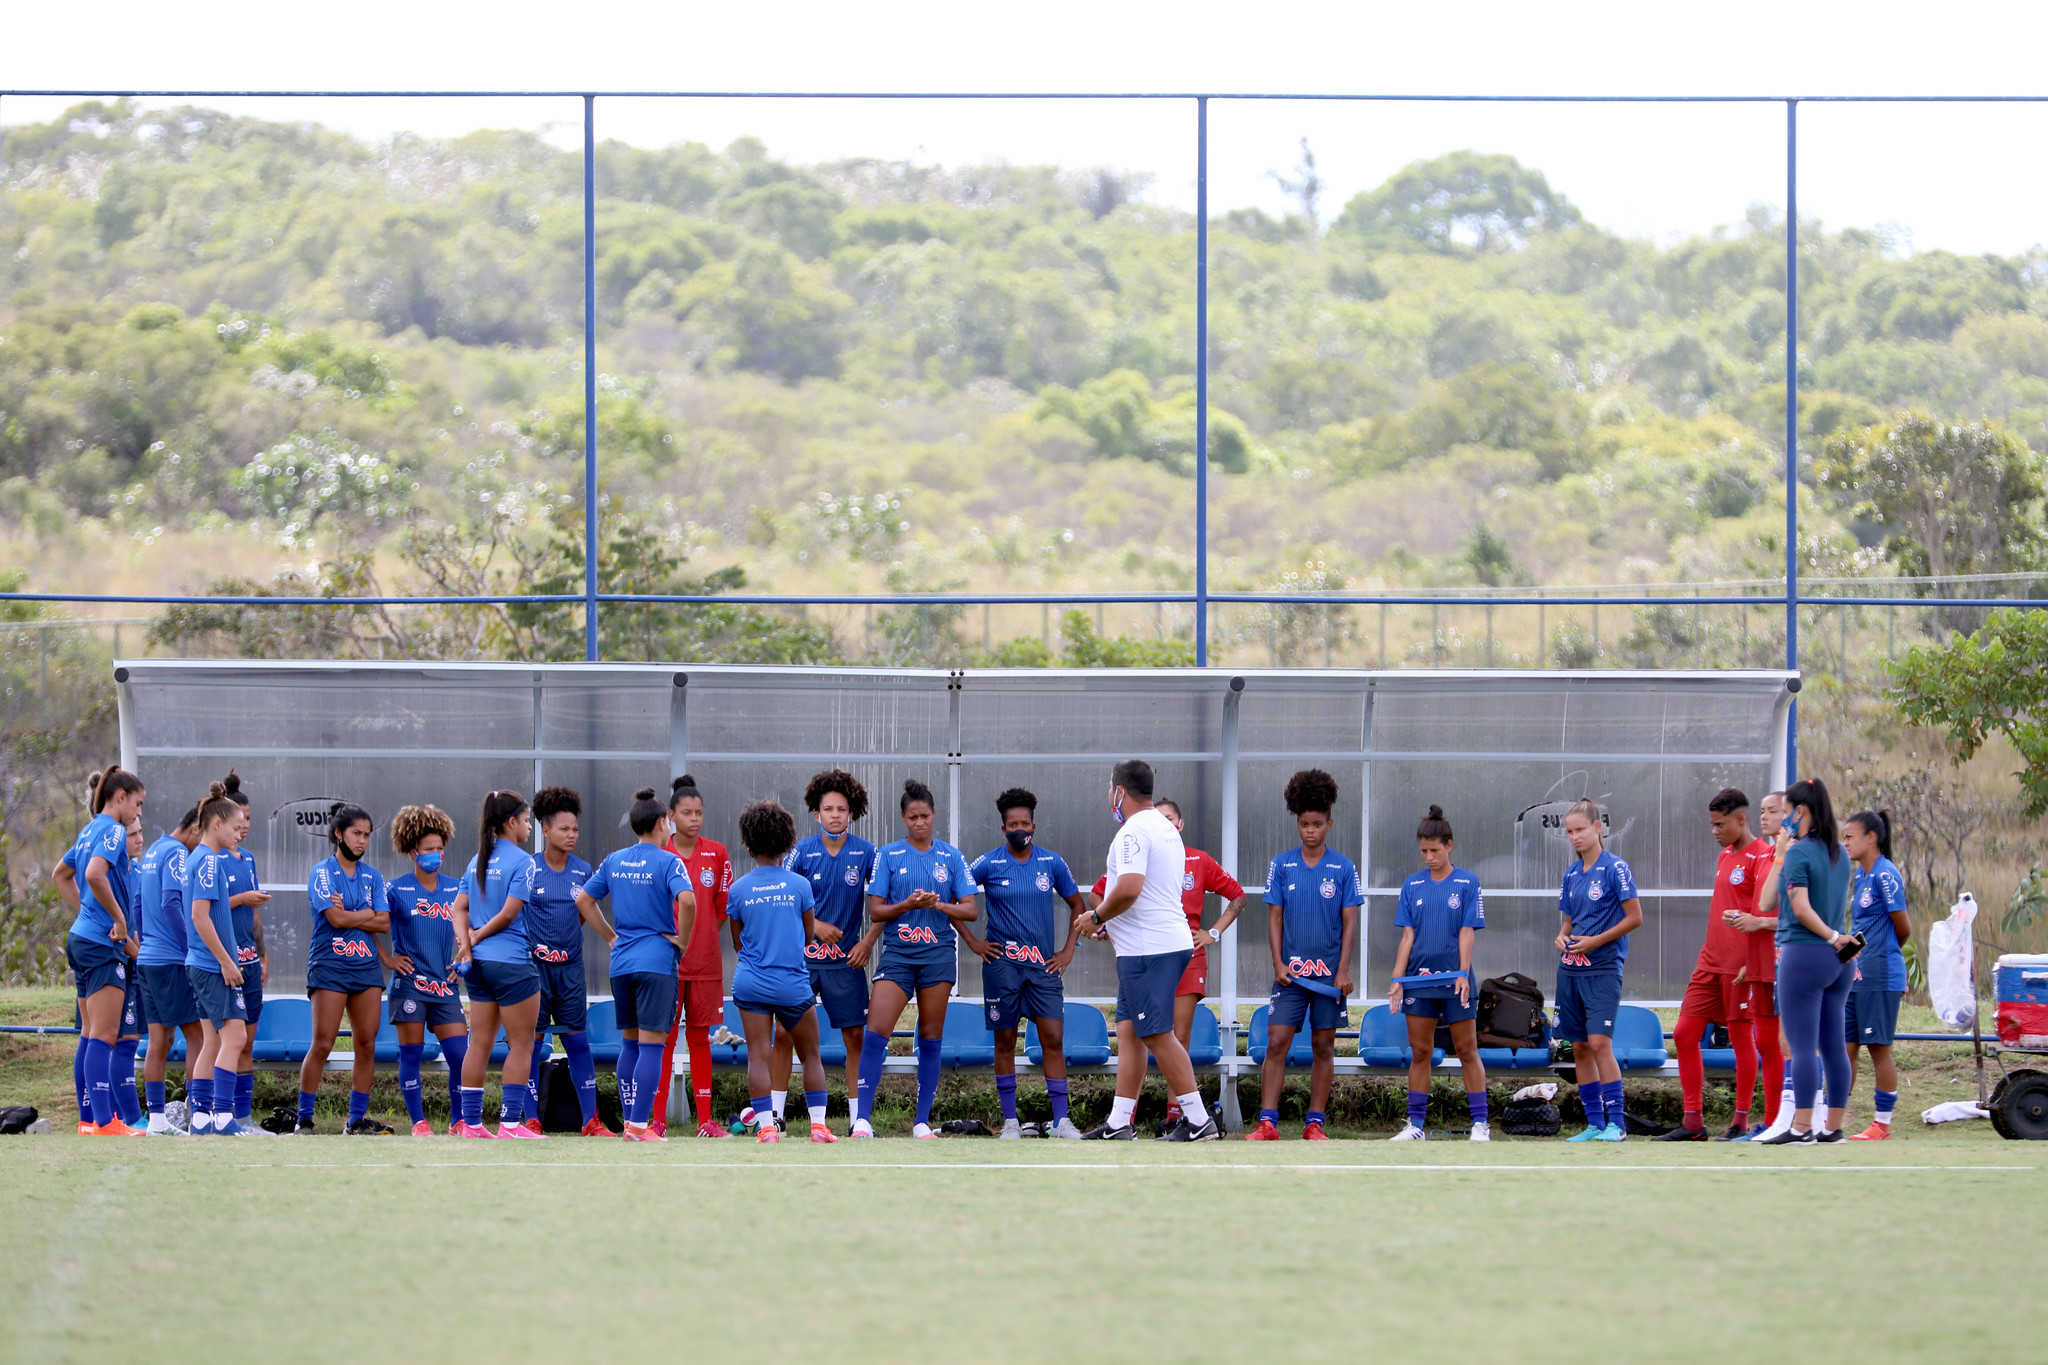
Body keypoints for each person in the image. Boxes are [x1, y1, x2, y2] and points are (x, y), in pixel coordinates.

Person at [1087, 797, 1245, 1133]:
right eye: (1161, 817)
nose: (1165, 823)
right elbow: (1105, 891)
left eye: (1171, 818)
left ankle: (1193, 1118)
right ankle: (1119, 1121)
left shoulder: (1185, 854)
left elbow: (1237, 895)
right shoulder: (1146, 841)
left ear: (1180, 823)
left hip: (1160, 950)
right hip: (1137, 950)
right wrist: (1107, 923)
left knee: (1164, 1033)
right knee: (1130, 1031)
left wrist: (1213, 933)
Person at [853, 778, 979, 1139]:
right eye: (912, 817)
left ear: (934, 814)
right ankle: (862, 1119)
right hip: (898, 954)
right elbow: (876, 910)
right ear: (903, 818)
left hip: (938, 955)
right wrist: (908, 904)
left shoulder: (951, 857)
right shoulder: (889, 855)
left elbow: (969, 910)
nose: (919, 822)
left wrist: (937, 903)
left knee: (930, 1034)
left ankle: (922, 1121)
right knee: (876, 1030)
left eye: (925, 815)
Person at [1246, 770, 1360, 1142]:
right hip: (1290, 976)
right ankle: (1268, 1123)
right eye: (1303, 824)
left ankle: (1314, 1124)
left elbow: (1350, 922)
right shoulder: (1281, 864)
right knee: (1277, 1040)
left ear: (1329, 824)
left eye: (1317, 824)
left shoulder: (1343, 867)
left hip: (1329, 979)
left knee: (1323, 1045)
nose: (1310, 830)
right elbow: (1274, 917)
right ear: (1297, 823)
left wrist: (1343, 970)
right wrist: (1278, 963)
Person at [968, 787, 1086, 1140]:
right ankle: (1010, 1122)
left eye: (1026, 823)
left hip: (1042, 968)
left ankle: (1062, 1120)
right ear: (1003, 828)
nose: (1021, 829)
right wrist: (973, 941)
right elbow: (956, 895)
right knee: (1004, 1041)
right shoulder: (989, 862)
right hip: (1002, 967)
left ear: (1034, 826)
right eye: (1013, 824)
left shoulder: (1051, 862)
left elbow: (1078, 905)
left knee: (1052, 1037)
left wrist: (1068, 951)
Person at [574, 788, 688, 1143]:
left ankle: (629, 1122)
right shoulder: (669, 860)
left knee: (631, 1045)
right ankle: (640, 1126)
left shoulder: (614, 859)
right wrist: (682, 940)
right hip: (655, 962)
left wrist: (610, 937)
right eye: (669, 820)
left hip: (621, 963)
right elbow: (688, 899)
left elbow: (583, 899)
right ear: (660, 823)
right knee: (653, 1047)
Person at [1657, 788, 1770, 1142]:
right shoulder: (1724, 856)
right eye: (1711, 824)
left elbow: (1766, 915)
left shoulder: (1763, 856)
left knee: (1740, 1037)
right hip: (1710, 959)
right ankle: (1693, 1122)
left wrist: (1751, 962)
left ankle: (1739, 1121)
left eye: (1720, 824)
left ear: (1741, 819)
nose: (1714, 830)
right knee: (1684, 1033)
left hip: (1739, 965)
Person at [770, 769, 879, 1132]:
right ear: (816, 814)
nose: (835, 814)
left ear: (852, 813)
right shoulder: (800, 852)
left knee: (855, 1037)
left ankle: (857, 1120)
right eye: (828, 809)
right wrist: (814, 927)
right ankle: (776, 1116)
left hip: (846, 962)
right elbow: (782, 897)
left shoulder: (866, 853)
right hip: (802, 962)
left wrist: (867, 941)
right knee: (784, 1033)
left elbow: (882, 903)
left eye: (842, 809)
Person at [728, 800, 838, 1145]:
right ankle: (819, 1127)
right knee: (811, 1055)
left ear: (748, 846)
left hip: (750, 983)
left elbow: (737, 941)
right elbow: (807, 936)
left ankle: (765, 1130)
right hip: (792, 984)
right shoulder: (800, 886)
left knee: (758, 1055)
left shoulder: (738, 889)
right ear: (789, 844)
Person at [1757, 777, 1858, 1145]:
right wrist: (1837, 939)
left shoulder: (1800, 852)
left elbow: (1798, 908)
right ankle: (1833, 1127)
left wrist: (1830, 937)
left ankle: (1800, 1126)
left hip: (1805, 953)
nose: (1783, 821)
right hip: (1840, 961)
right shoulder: (1841, 852)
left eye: (1785, 813)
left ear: (1800, 811)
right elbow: (1775, 903)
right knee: (1833, 1044)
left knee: (1801, 1046)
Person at [1386, 805, 1488, 1143]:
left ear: (1449, 845)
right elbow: (1407, 937)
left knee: (1467, 1050)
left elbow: (1467, 931)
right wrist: (1397, 980)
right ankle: (1415, 1126)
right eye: (1423, 851)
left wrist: (1462, 972)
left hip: (1456, 982)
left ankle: (1480, 1125)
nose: (1429, 857)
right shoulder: (1412, 885)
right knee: (1420, 1052)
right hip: (1418, 982)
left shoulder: (1467, 882)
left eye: (1435, 850)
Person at [451, 790, 545, 1140]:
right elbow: (508, 914)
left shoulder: (477, 859)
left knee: (479, 1043)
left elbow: (457, 909)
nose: (528, 828)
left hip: (478, 967)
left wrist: (467, 945)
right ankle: (508, 1124)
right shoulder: (523, 861)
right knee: (521, 1045)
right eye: (525, 821)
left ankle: (472, 1126)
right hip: (511, 963)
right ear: (510, 822)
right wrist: (471, 940)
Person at [294, 801, 391, 1136]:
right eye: (356, 834)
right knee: (323, 1042)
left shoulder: (373, 876)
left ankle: (356, 1121)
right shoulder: (321, 872)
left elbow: (385, 923)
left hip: (366, 968)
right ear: (338, 834)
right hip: (330, 965)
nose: (362, 841)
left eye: (366, 835)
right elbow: (334, 920)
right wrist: (366, 913)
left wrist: (353, 914)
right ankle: (304, 1118)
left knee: (366, 1043)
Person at [61, 764, 147, 1136]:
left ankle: (87, 1120)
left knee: (90, 1032)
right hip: (100, 943)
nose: (139, 814)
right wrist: (118, 919)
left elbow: (61, 874)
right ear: (121, 797)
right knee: (105, 1034)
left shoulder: (88, 828)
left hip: (80, 938)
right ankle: (104, 1121)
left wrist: (86, 912)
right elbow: (95, 874)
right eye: (138, 805)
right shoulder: (111, 828)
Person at [519, 786, 606, 1136]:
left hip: (570, 969)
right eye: (564, 829)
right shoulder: (527, 869)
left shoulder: (584, 870)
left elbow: (583, 915)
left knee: (578, 1042)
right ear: (545, 829)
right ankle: (530, 1118)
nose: (571, 835)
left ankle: (590, 1121)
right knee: (531, 1043)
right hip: (533, 971)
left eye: (575, 829)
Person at [1555, 799, 1643, 1143]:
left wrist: (1595, 941)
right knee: (1578, 1048)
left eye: (1580, 829)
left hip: (1603, 968)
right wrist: (1561, 938)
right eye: (1569, 832)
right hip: (1570, 970)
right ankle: (1594, 1124)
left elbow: (1635, 917)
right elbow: (1566, 923)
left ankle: (1617, 1125)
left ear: (1597, 828)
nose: (1575, 837)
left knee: (1599, 1043)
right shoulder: (1571, 874)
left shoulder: (1615, 868)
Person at [383, 804, 470, 1138]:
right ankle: (419, 1122)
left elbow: (469, 929)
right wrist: (388, 959)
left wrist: (464, 959)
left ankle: (458, 1120)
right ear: (412, 851)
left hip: (445, 987)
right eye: (429, 849)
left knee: (459, 1055)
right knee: (412, 1054)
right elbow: (371, 925)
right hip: (409, 986)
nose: (436, 854)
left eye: (439, 848)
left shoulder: (455, 888)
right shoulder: (395, 889)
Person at [654, 775, 734, 1138]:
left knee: (701, 1040)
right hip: (665, 965)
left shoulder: (717, 853)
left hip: (705, 965)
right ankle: (656, 1121)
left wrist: (697, 941)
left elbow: (722, 907)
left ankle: (705, 1120)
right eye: (686, 812)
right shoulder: (659, 854)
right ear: (671, 816)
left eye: (699, 812)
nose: (694, 818)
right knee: (664, 1040)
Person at [183, 782, 257, 1136]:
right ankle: (224, 1117)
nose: (239, 833)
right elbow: (200, 916)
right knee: (235, 1038)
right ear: (216, 825)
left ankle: (200, 1119)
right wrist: (227, 961)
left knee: (213, 1041)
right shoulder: (209, 861)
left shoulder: (198, 857)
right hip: (212, 965)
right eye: (234, 826)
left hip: (199, 963)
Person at [1843, 808, 1909, 1141]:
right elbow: (1862, 929)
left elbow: (1903, 928)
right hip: (1856, 975)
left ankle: (1881, 1125)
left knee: (1878, 1048)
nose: (1846, 842)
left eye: (1850, 836)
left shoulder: (1885, 874)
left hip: (1880, 975)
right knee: (1845, 1047)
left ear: (1871, 838)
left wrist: (1882, 957)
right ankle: (1831, 1119)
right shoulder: (1861, 875)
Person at [136, 806, 202, 1134]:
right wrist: (191, 949)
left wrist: (146, 938)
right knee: (198, 1036)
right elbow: (170, 903)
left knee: (159, 1039)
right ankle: (198, 1113)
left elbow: (137, 904)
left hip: (148, 958)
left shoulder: (153, 850)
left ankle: (158, 1121)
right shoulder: (176, 852)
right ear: (195, 830)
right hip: (171, 960)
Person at [1730, 790, 1790, 1138]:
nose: (1764, 817)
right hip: (1760, 960)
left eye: (1774, 811)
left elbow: (1799, 914)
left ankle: (1789, 1118)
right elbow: (1761, 906)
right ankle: (1770, 1121)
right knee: (1766, 1043)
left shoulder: (1795, 854)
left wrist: (1759, 923)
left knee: (1783, 1044)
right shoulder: (1767, 854)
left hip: (1784, 959)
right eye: (1763, 811)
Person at [218, 773, 270, 1133]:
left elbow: (253, 914)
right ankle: (213, 1112)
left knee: (247, 1042)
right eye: (241, 818)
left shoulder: (248, 859)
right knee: (225, 1041)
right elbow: (206, 908)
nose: (246, 825)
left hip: (251, 962)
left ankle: (244, 1118)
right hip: (224, 964)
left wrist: (264, 955)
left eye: (250, 818)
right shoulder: (212, 857)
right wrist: (240, 898)